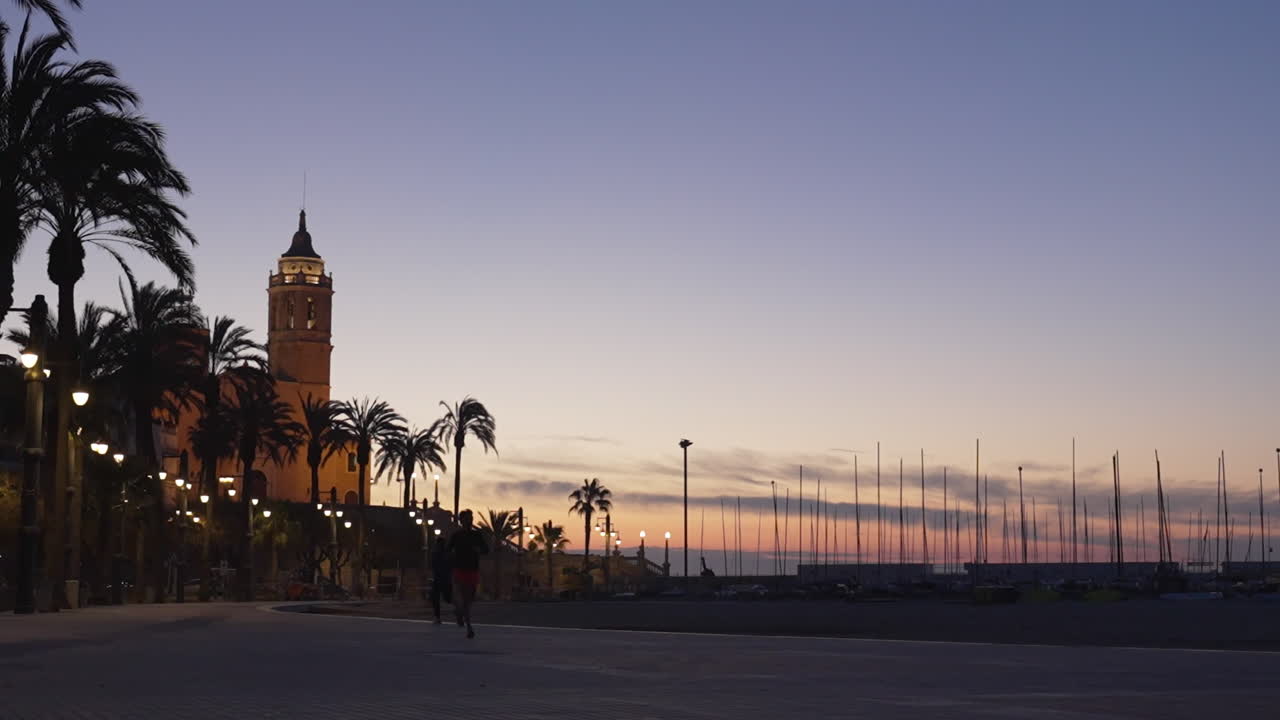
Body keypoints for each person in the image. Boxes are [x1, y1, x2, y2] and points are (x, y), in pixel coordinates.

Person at [447, 510, 488, 638]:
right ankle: (469, 627)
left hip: (473, 570)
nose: (470, 520)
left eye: (471, 518)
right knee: (464, 598)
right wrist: (451, 557)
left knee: (469, 599)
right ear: (461, 520)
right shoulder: (456, 536)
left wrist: (479, 550)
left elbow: (486, 549)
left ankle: (459, 612)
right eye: (467, 518)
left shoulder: (477, 535)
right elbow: (448, 550)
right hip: (459, 569)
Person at [429, 538, 452, 624]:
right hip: (442, 579)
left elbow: (433, 565)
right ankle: (437, 617)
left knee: (445, 598)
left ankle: (437, 617)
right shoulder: (445, 553)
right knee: (439, 598)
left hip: (441, 578)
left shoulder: (439, 553)